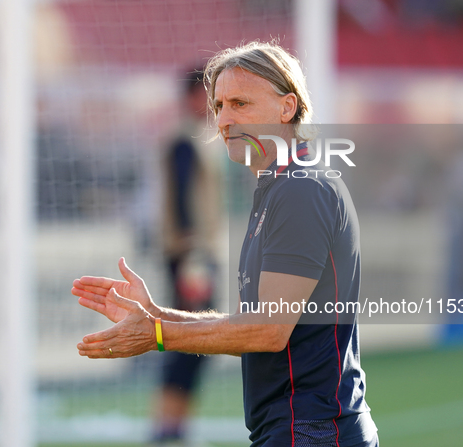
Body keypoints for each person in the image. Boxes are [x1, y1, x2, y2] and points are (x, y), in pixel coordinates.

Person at [72, 41, 379, 447]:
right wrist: (158, 314)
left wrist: (159, 333)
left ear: (287, 108)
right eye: (219, 106)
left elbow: (268, 332)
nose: (225, 120)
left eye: (241, 103)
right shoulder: (278, 188)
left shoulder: (301, 190)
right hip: (298, 429)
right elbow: (259, 329)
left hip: (313, 431)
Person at [154, 67, 224, 445]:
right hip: (191, 255)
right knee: (188, 338)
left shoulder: (197, 139)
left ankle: (176, 426)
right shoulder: (184, 141)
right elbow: (181, 200)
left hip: (195, 253)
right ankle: (166, 427)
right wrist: (194, 253)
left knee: (197, 339)